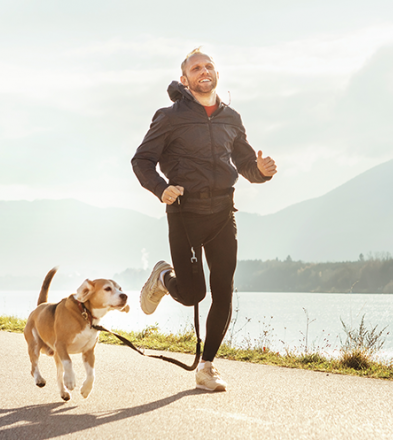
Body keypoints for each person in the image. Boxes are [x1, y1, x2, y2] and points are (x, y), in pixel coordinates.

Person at [131, 48, 277, 391]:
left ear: (216, 73)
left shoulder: (232, 118)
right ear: (185, 80)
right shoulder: (169, 117)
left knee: (223, 290)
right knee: (194, 292)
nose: (204, 70)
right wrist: (161, 189)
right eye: (196, 67)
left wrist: (261, 171)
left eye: (209, 65)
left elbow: (244, 163)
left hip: (223, 213)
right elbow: (141, 160)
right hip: (185, 212)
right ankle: (164, 278)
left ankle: (208, 366)